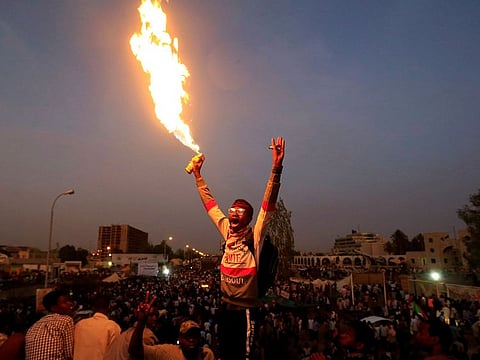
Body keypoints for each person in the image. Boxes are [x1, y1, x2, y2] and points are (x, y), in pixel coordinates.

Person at [189, 136, 285, 360]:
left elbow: (268, 205)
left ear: (249, 218)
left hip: (246, 314)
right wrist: (198, 176)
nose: (232, 213)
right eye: (231, 210)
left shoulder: (255, 237)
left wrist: (276, 168)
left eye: (239, 211)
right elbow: (211, 205)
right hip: (225, 310)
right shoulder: (226, 231)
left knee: (244, 357)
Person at [128, 297, 215, 360]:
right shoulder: (168, 353)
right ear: (180, 339)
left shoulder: (206, 355)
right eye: (187, 336)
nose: (191, 339)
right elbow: (135, 350)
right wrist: (142, 322)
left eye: (195, 336)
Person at [25, 289, 75, 360]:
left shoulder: (34, 326)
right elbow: (69, 354)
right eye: (65, 302)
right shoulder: (66, 320)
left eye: (69, 300)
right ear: (53, 307)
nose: (70, 303)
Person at [73, 294, 121, 360]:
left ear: (93, 308)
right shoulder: (112, 327)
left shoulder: (79, 325)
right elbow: (114, 354)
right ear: (109, 307)